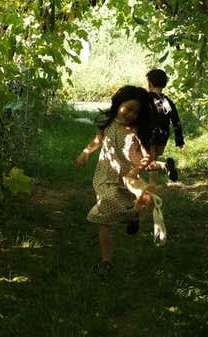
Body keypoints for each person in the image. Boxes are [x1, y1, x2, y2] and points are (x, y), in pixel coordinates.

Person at [75, 85, 159, 278]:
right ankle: (106, 262)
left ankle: (131, 215)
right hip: (104, 177)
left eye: (136, 112)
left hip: (126, 180)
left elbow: (147, 157)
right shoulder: (106, 122)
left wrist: (137, 169)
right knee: (105, 210)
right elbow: (97, 140)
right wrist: (86, 153)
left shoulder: (136, 132)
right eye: (128, 108)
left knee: (117, 207)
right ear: (119, 103)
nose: (130, 114)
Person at [145, 68, 184, 182]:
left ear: (150, 83)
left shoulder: (145, 99)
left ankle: (165, 166)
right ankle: (152, 188)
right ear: (164, 84)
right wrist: (179, 140)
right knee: (153, 159)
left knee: (145, 162)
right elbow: (176, 120)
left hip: (149, 135)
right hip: (162, 136)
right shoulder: (167, 102)